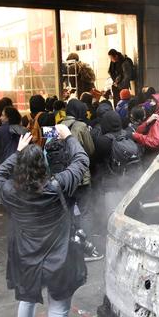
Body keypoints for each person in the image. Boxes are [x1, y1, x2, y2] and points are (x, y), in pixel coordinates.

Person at [0, 127, 89, 317]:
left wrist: (18, 153)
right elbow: (81, 161)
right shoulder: (58, 185)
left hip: (28, 260)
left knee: (27, 298)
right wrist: (69, 137)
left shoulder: (10, 191)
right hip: (59, 263)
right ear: (44, 165)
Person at [62, 99, 99, 260]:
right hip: (81, 177)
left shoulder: (56, 126)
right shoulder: (81, 127)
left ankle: (69, 246)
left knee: (67, 212)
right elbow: (90, 150)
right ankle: (86, 248)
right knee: (85, 212)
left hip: (63, 178)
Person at [131, 94, 159, 163]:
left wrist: (135, 136)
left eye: (154, 101)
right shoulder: (153, 116)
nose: (151, 103)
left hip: (157, 158)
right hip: (151, 155)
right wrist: (147, 122)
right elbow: (138, 131)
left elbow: (155, 142)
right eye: (151, 100)